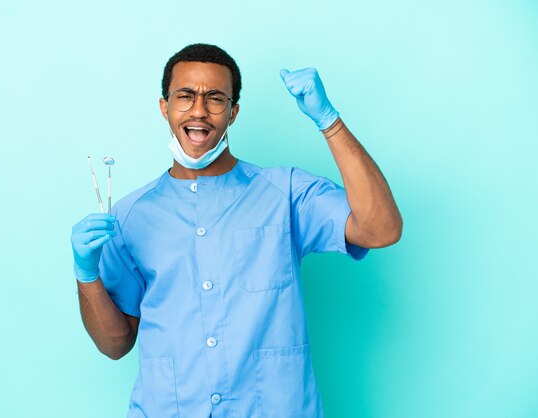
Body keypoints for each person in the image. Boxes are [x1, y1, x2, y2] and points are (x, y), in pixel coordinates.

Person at [71, 43, 402, 418]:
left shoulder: (286, 193)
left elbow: (381, 230)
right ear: (164, 107)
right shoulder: (130, 215)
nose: (199, 111)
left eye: (215, 98)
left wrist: (329, 121)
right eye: (185, 96)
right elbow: (115, 344)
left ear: (233, 112)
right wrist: (87, 275)